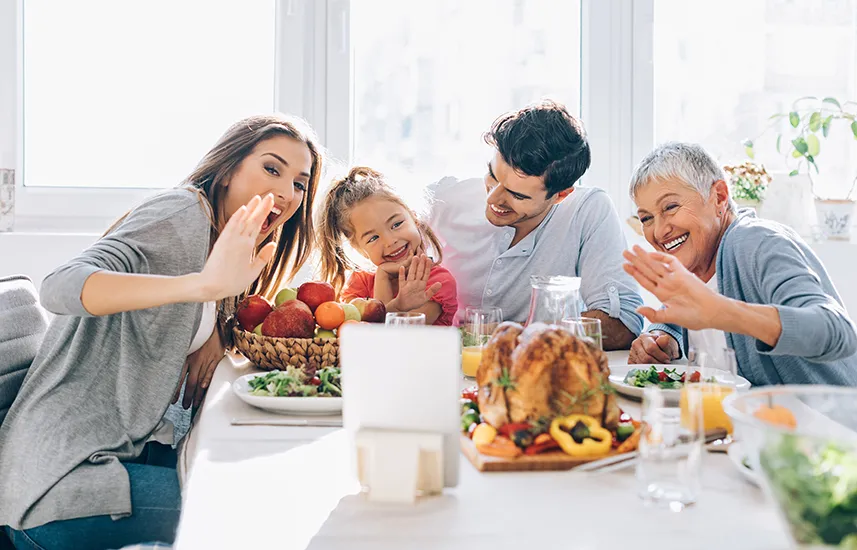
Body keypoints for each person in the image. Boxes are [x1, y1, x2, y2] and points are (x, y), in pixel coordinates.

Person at [0, 114, 324, 549]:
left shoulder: (222, 242)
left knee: (269, 477)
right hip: (55, 489)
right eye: (272, 169)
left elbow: (185, 312)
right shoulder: (182, 212)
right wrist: (201, 287)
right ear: (227, 171)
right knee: (257, 510)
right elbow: (59, 286)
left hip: (111, 457)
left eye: (300, 184)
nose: (287, 194)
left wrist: (217, 326)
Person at [624, 141, 857, 386]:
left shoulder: (757, 242)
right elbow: (687, 314)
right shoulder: (697, 264)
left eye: (670, 207)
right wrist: (662, 335)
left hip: (826, 420)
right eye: (647, 218)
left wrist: (723, 314)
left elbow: (837, 330)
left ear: (719, 197)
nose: (659, 231)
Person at [427, 100, 643, 349]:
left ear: (561, 195)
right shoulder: (443, 199)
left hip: (537, 376)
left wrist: (514, 336)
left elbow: (624, 324)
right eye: (492, 176)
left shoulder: (587, 210)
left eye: (517, 195)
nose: (493, 198)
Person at [318, 166, 458, 325]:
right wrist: (382, 277)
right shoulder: (360, 283)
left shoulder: (438, 282)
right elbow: (361, 337)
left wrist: (386, 289)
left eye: (396, 224)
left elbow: (395, 340)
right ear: (359, 249)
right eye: (373, 238)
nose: (390, 241)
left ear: (414, 216)